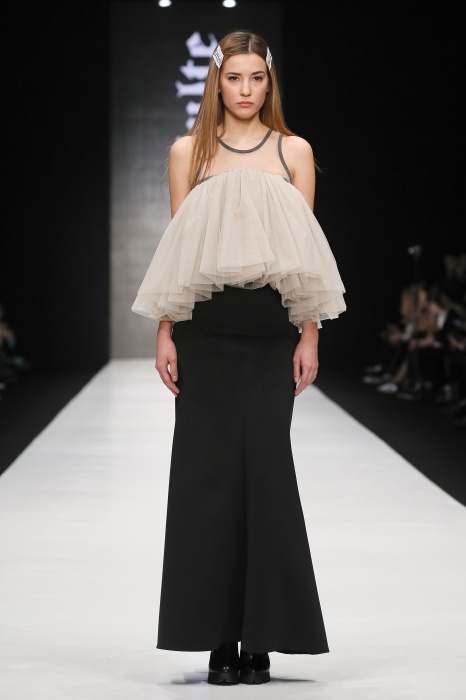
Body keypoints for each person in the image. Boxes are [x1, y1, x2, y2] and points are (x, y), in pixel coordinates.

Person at [132, 30, 346, 685]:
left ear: (268, 82)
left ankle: (264, 638)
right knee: (205, 482)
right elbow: (179, 252)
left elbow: (305, 257)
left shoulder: (293, 151)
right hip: (205, 333)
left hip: (271, 334)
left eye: (257, 78)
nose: (245, 90)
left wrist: (309, 334)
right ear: (217, 81)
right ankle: (218, 640)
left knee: (267, 479)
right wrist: (165, 332)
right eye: (234, 78)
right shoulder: (188, 152)